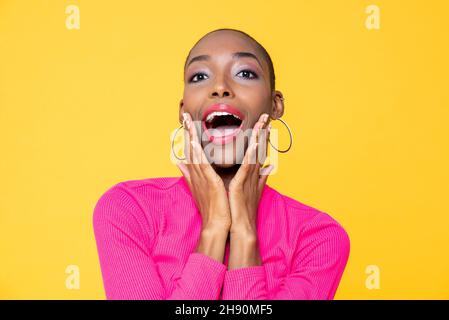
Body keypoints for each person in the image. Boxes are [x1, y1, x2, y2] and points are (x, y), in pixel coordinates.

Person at [93, 28, 350, 300]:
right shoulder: (129, 209)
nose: (220, 87)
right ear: (183, 110)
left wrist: (245, 234)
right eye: (200, 76)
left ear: (275, 106)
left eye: (245, 73)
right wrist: (214, 228)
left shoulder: (318, 238)